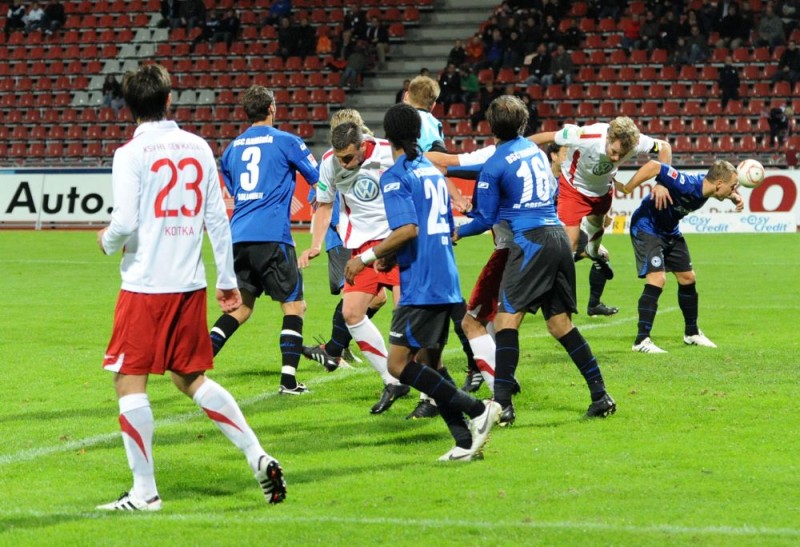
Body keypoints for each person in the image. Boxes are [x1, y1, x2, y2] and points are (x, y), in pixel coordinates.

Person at [95, 64, 286, 511]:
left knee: (129, 381)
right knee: (190, 377)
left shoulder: (129, 154)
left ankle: (145, 493)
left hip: (145, 284)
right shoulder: (199, 146)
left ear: (129, 108)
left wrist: (106, 242)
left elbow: (123, 221)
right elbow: (217, 217)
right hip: (189, 283)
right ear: (168, 100)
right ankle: (256, 454)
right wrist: (225, 279)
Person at [344, 103, 502, 461]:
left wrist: (365, 258)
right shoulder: (431, 171)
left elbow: (409, 229)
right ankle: (464, 442)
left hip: (422, 283)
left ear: (387, 136)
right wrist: (391, 255)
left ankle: (478, 410)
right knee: (431, 362)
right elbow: (441, 227)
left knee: (399, 365)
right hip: (445, 275)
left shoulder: (396, 175)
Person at [470, 95, 617, 423]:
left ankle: (503, 405)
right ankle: (600, 395)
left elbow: (484, 219)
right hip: (558, 238)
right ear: (523, 124)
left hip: (531, 242)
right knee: (560, 323)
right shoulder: (534, 153)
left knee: (508, 320)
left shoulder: (497, 160)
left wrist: (457, 232)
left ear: (491, 127)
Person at [208, 85, 320, 395]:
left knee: (240, 309)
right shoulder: (287, 142)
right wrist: (315, 195)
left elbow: (236, 190)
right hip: (272, 235)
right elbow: (319, 178)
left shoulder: (231, 149)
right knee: (295, 306)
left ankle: (198, 362)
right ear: (272, 108)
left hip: (239, 235)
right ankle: (288, 381)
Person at [298, 119, 408, 414]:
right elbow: (323, 205)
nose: (343, 164)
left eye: (348, 157)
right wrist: (316, 245)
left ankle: (431, 396)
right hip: (361, 249)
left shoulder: (389, 153)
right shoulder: (329, 163)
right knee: (351, 312)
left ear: (363, 145)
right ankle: (391, 380)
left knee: (407, 318)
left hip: (397, 242)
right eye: (339, 157)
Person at [531, 116, 672, 317]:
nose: (616, 159)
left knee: (596, 242)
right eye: (614, 152)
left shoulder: (637, 141)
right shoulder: (584, 135)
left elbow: (665, 147)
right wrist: (515, 146)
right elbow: (546, 136)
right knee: (568, 243)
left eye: (622, 155)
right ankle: (556, 300)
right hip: (573, 190)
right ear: (608, 137)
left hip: (602, 192)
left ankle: (593, 253)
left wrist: (662, 183)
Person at [616, 160, 744, 353]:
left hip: (670, 231)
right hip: (647, 227)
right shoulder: (687, 183)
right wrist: (628, 188)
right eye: (732, 186)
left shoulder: (708, 188)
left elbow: (722, 191)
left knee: (688, 278)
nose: (734, 190)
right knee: (658, 279)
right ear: (719, 183)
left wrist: (733, 197)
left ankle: (691, 333)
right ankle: (641, 340)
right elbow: (654, 165)